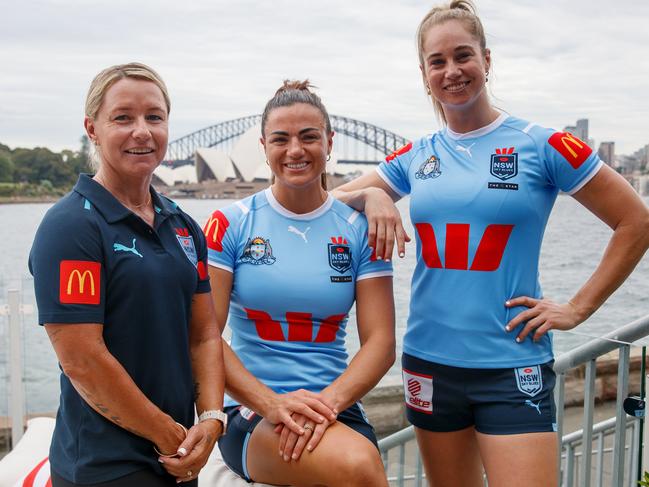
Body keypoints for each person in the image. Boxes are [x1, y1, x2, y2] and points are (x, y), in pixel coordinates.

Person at [333, 3, 649, 486]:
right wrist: (374, 193)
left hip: (512, 363)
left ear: (487, 59)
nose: (452, 71)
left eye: (463, 55)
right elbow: (328, 204)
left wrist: (579, 308)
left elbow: (635, 221)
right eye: (437, 61)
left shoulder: (542, 144)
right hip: (430, 363)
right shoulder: (416, 155)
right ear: (424, 73)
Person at [29, 62, 226, 486]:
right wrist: (168, 435)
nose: (142, 131)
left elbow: (204, 335)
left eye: (154, 117)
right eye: (123, 117)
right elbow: (83, 360)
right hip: (105, 467)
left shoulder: (182, 226)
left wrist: (211, 419)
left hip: (177, 458)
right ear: (93, 129)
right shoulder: (72, 227)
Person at [204, 80, 395, 486]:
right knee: (361, 469)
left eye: (309, 137)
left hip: (335, 407)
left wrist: (326, 405)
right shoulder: (230, 224)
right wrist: (271, 404)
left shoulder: (361, 229)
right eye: (281, 139)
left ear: (330, 142)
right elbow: (203, 336)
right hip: (252, 409)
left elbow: (381, 343)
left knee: (361, 465)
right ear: (263, 146)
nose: (295, 150)